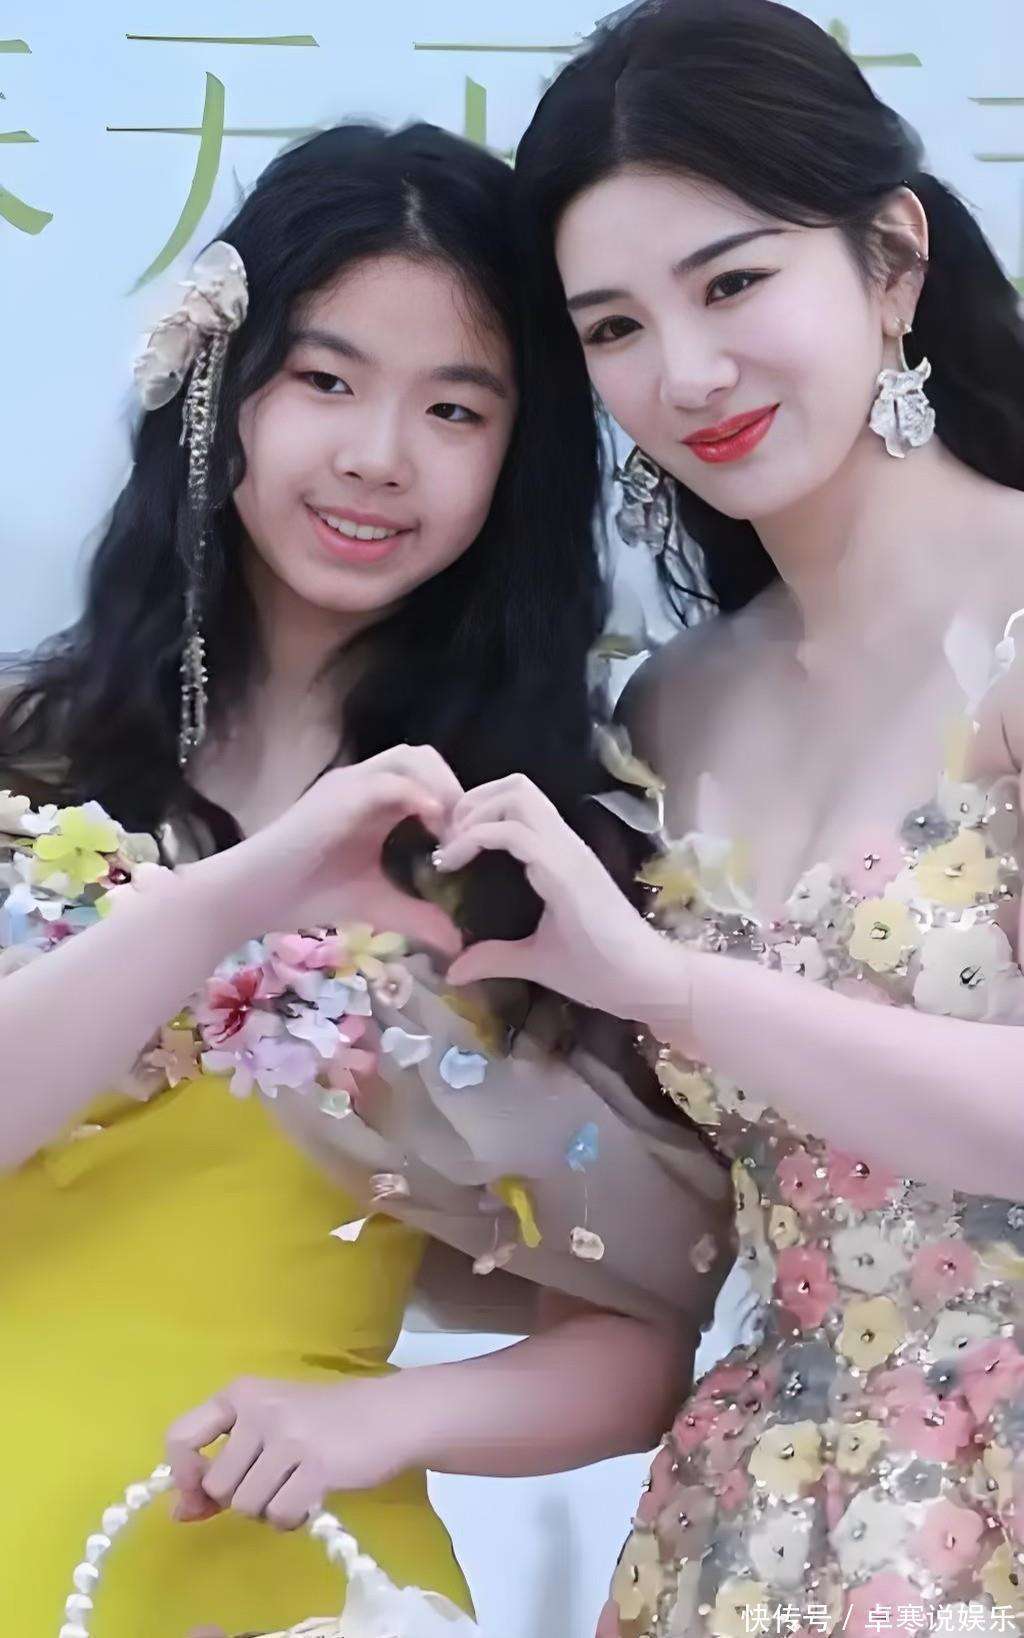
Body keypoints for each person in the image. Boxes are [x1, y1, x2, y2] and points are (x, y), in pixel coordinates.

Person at [0, 120, 732, 1635]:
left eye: (454, 407)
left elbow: (640, 1324)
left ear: (518, 457)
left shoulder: (539, 856)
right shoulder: (27, 759)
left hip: (295, 1573)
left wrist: (381, 1419)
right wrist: (238, 891)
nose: (377, 456)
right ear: (222, 387)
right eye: (325, 379)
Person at [432, 1, 1024, 1630]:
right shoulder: (668, 712)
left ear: (891, 259)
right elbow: (659, 1214)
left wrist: (674, 986)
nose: (685, 373)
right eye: (614, 326)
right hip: (760, 1521)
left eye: (735, 282)